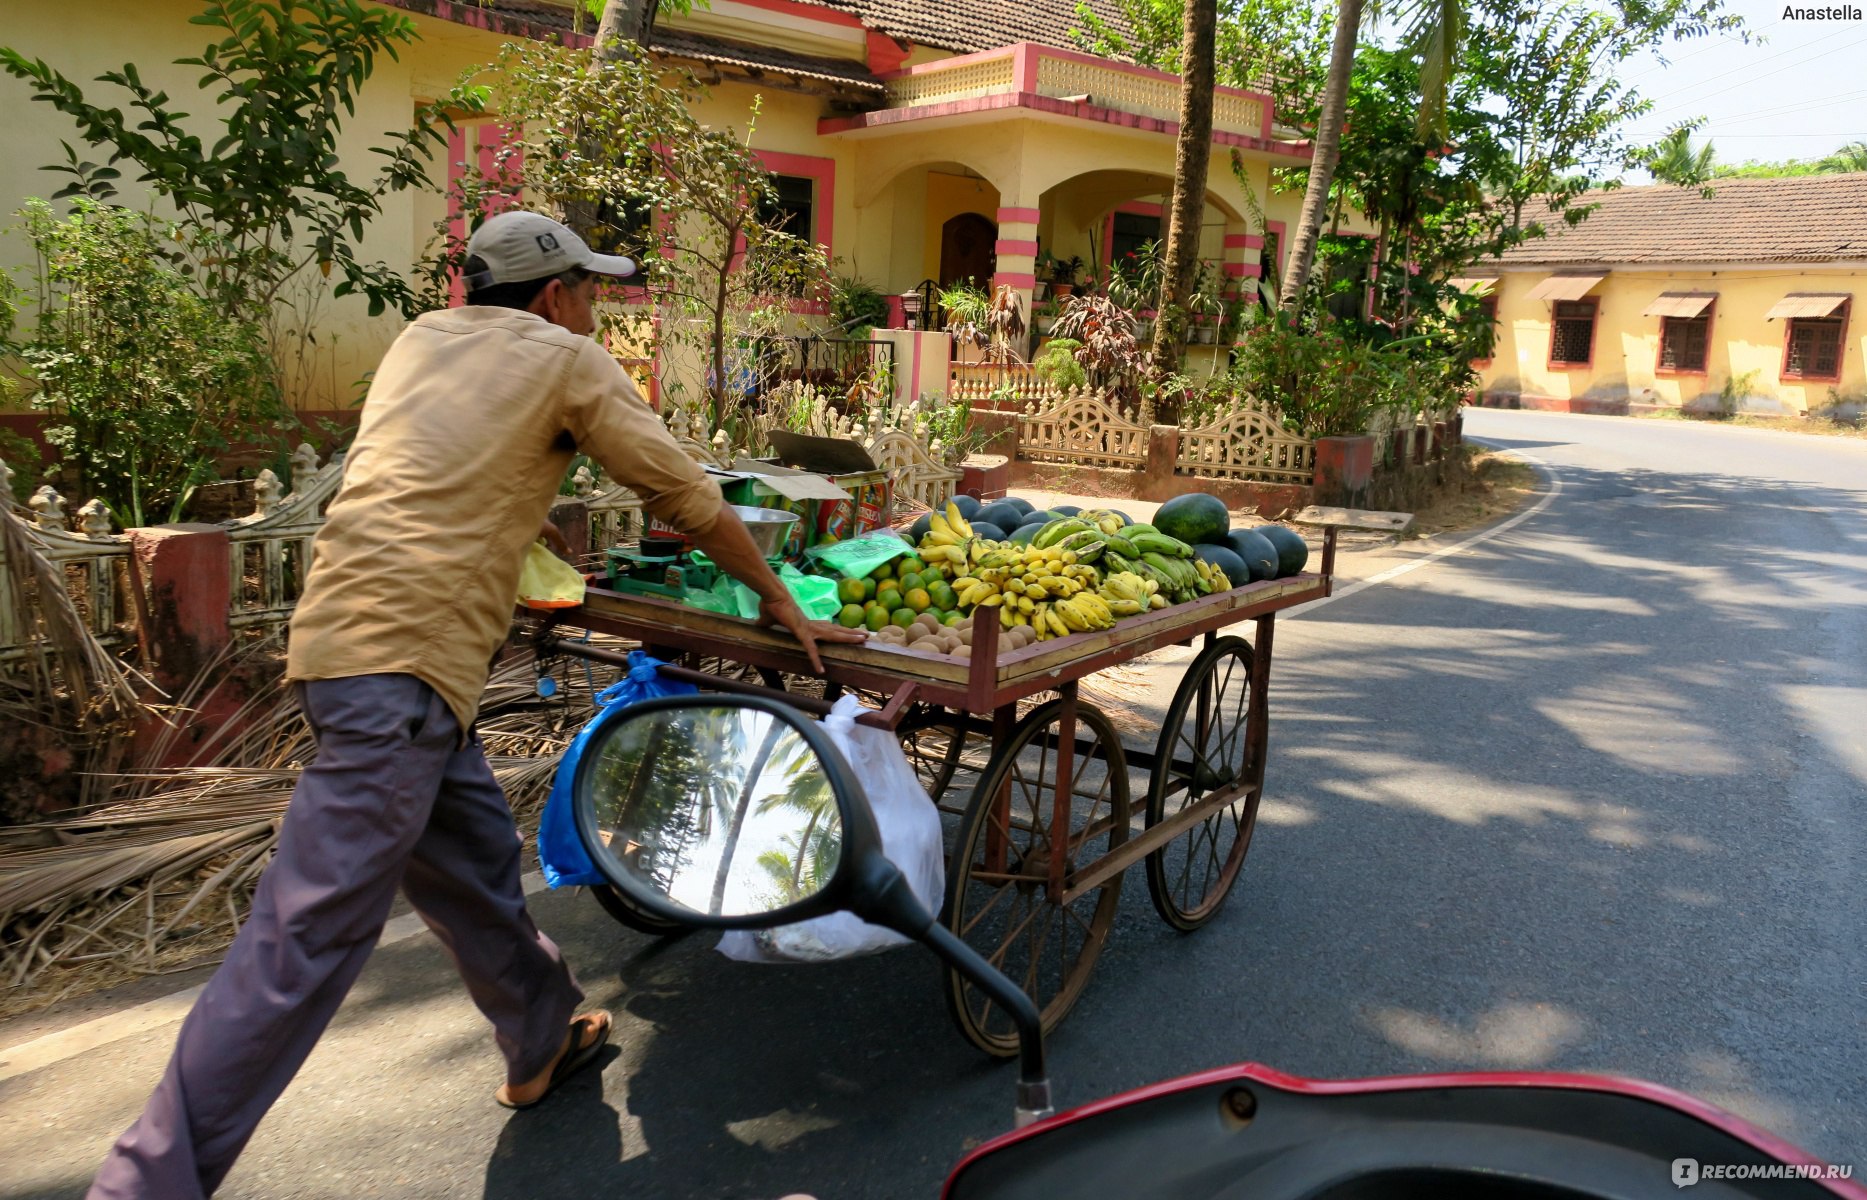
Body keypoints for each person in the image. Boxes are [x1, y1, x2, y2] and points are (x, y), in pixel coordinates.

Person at [89, 211, 866, 1199]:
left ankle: (540, 1030)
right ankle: (140, 1185)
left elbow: (437, 473)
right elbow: (683, 492)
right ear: (554, 298)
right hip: (404, 673)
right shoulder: (565, 360)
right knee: (300, 947)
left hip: (344, 649)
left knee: (465, 862)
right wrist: (778, 596)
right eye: (591, 293)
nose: (596, 313)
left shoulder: (422, 341)